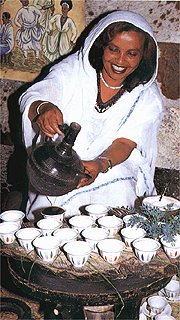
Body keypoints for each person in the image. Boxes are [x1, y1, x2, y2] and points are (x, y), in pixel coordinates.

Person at [19, 10, 166, 220]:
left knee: (120, 184)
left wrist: (100, 164)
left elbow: (125, 142)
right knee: (57, 184)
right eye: (113, 49)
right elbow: (35, 96)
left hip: (112, 161)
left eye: (131, 53)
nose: (120, 60)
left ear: (143, 55)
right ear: (101, 46)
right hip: (65, 158)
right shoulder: (75, 69)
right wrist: (44, 108)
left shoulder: (147, 96)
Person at [14, 0, 45, 66]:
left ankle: (37, 58)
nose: (25, 1)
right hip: (25, 28)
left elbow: (40, 14)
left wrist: (38, 22)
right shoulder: (21, 11)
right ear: (21, 2)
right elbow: (15, 20)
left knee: (36, 42)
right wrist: (20, 26)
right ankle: (26, 59)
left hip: (33, 26)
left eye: (26, 0)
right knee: (25, 44)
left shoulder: (32, 8)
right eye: (23, 0)